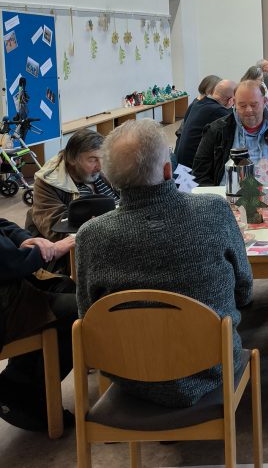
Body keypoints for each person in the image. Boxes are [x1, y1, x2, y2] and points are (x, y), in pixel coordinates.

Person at [76, 119, 252, 407]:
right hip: (212, 364)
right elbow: (244, 290)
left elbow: (89, 318)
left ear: (109, 178)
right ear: (168, 169)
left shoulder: (91, 237)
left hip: (130, 372)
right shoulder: (214, 211)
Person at [0, 219, 75, 432]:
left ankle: (18, 381)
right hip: (6, 302)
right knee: (81, 313)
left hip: (14, 286)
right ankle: (28, 396)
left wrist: (27, 239)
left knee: (65, 285)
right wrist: (53, 248)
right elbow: (10, 262)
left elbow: (3, 225)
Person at [30, 129, 119, 241]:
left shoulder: (102, 169)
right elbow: (55, 228)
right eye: (92, 160)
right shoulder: (47, 183)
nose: (100, 166)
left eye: (102, 158)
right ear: (72, 159)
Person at [175, 79, 236, 167]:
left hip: (181, 163)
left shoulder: (198, 103)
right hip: (193, 170)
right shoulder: (218, 112)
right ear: (231, 100)